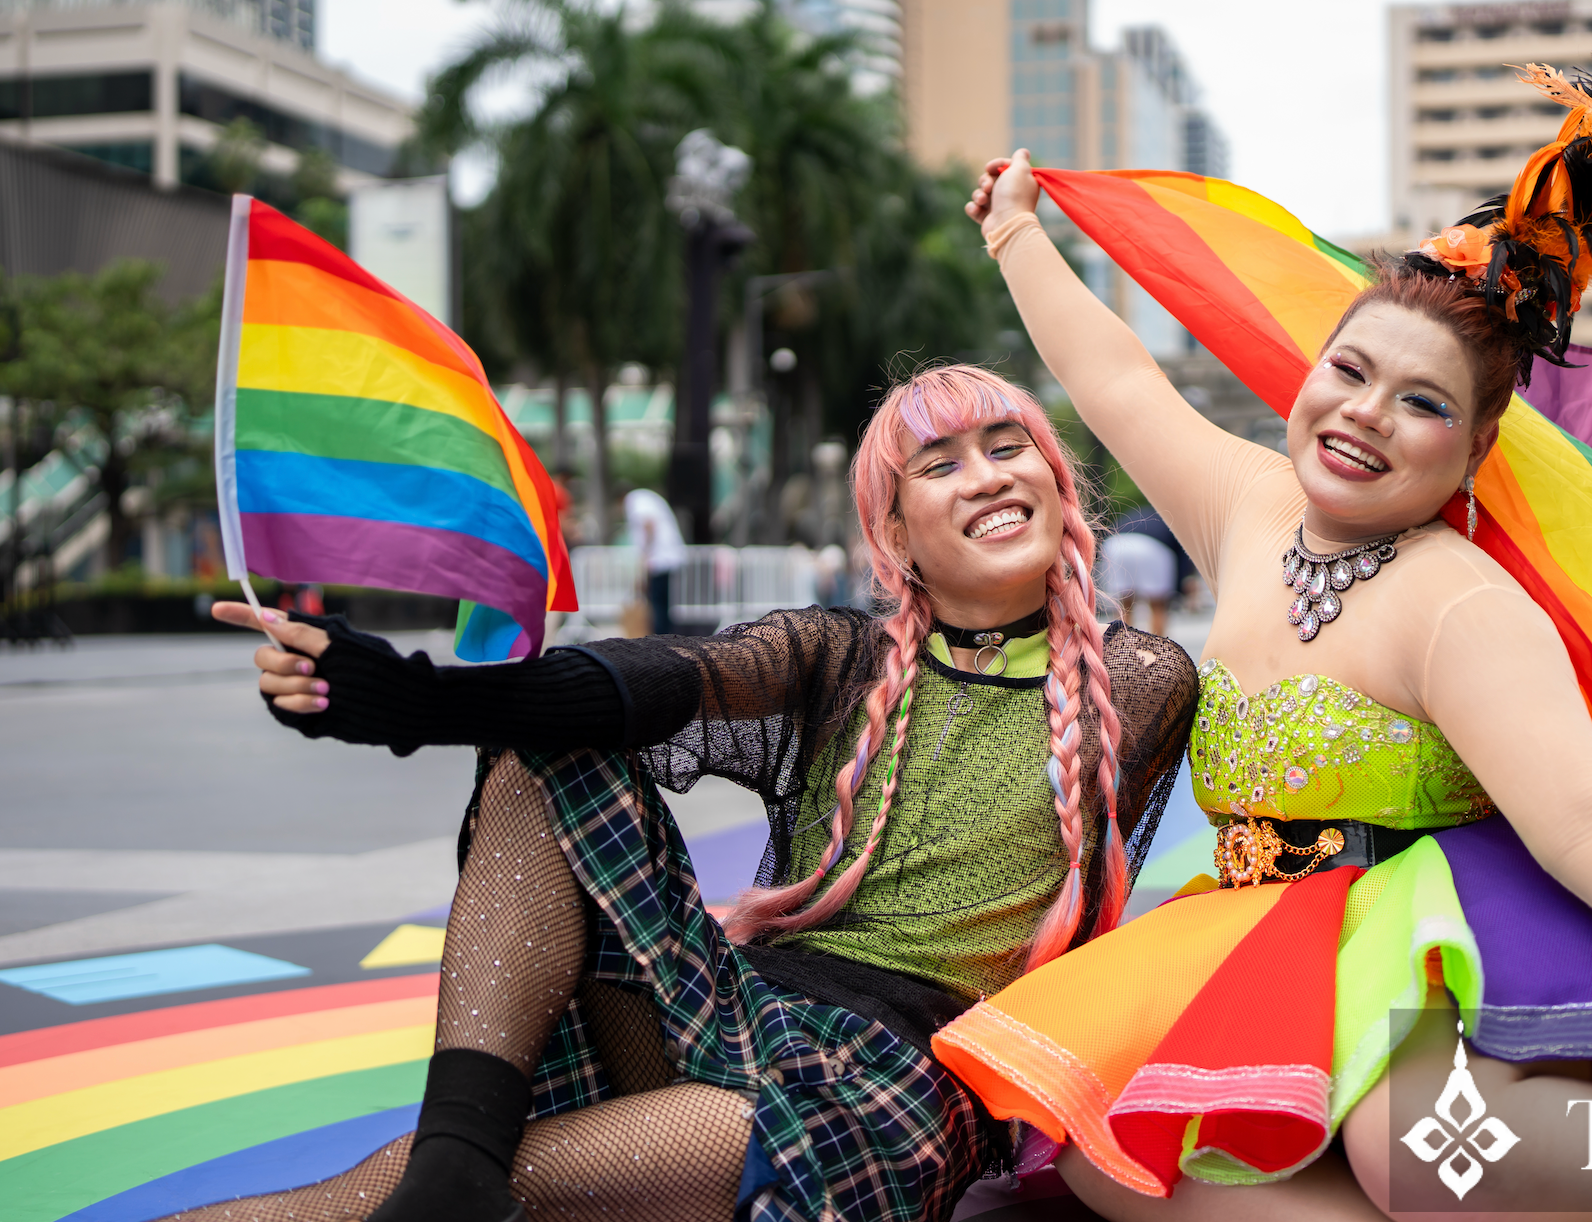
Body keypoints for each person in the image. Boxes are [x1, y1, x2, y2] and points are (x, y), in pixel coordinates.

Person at [934, 55, 1592, 1222]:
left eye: (1422, 402)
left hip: (1450, 954)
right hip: (1253, 936)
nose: (1364, 413)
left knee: (1418, 1145)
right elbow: (1118, 382)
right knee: (1115, 1154)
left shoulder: (1461, 605)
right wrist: (1016, 236)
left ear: (1478, 447)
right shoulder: (1248, 509)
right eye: (1349, 371)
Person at [191, 366, 1199, 1222]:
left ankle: (454, 1170)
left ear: (1061, 486)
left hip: (896, 1085)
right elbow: (654, 678)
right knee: (557, 749)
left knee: (413, 1186)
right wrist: (406, 697)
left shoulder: (1141, 677)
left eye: (1008, 445)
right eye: (941, 465)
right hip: (735, 1010)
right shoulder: (837, 655)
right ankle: (458, 1150)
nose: (985, 476)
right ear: (895, 537)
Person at [1100, 505, 1189, 636]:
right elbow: (1183, 558)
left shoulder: (1137, 511)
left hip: (1116, 543)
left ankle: (1122, 647)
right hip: (1153, 546)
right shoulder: (1171, 518)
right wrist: (1180, 587)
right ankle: (1157, 649)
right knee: (1158, 605)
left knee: (1124, 606)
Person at [623, 486, 686, 636]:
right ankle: (666, 637)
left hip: (659, 559)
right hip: (667, 558)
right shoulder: (648, 497)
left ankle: (660, 639)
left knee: (658, 604)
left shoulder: (635, 499)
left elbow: (648, 524)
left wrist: (645, 553)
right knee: (663, 604)